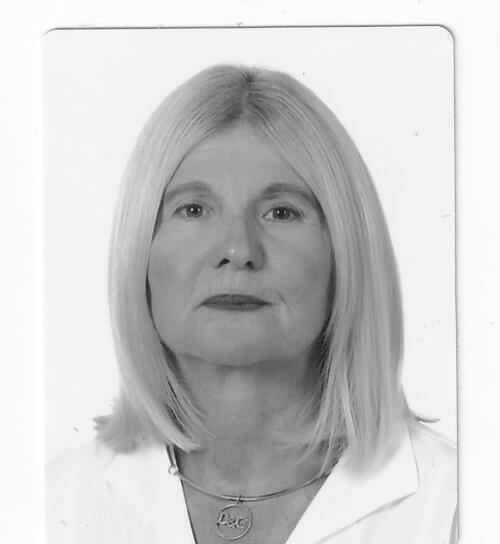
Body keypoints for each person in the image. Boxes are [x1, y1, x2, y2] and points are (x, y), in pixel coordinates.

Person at [46, 64, 457, 544]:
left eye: (281, 212)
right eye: (193, 209)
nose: (238, 249)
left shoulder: (458, 504)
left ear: (345, 253)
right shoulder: (54, 504)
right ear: (140, 250)